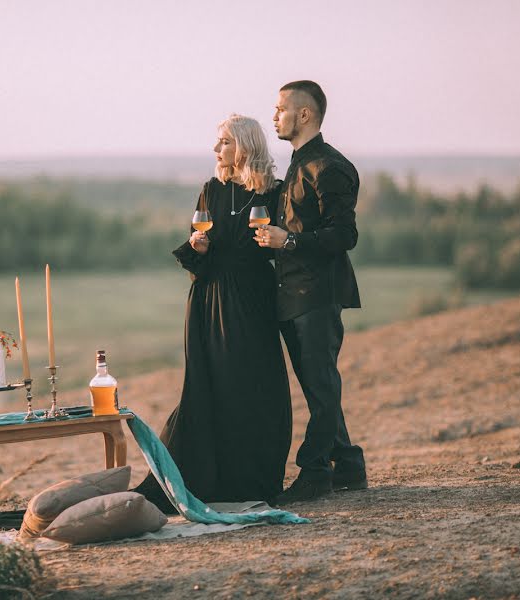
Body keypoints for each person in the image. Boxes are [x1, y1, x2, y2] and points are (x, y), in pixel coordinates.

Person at [134, 114, 292, 512]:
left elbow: (282, 248)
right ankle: (209, 477)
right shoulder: (211, 190)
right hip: (209, 301)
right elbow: (198, 250)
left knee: (255, 384)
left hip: (253, 300)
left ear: (245, 145)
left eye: (223, 141)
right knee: (211, 385)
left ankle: (254, 477)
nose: (216, 148)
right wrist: (197, 248)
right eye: (217, 141)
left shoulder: (274, 192)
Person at [254, 80, 367, 504]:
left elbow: (345, 234)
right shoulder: (298, 164)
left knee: (321, 387)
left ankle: (316, 472)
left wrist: (290, 242)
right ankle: (350, 465)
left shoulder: (328, 167)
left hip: (317, 296)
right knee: (318, 387)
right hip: (293, 296)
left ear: (304, 115)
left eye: (280, 108)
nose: (274, 115)